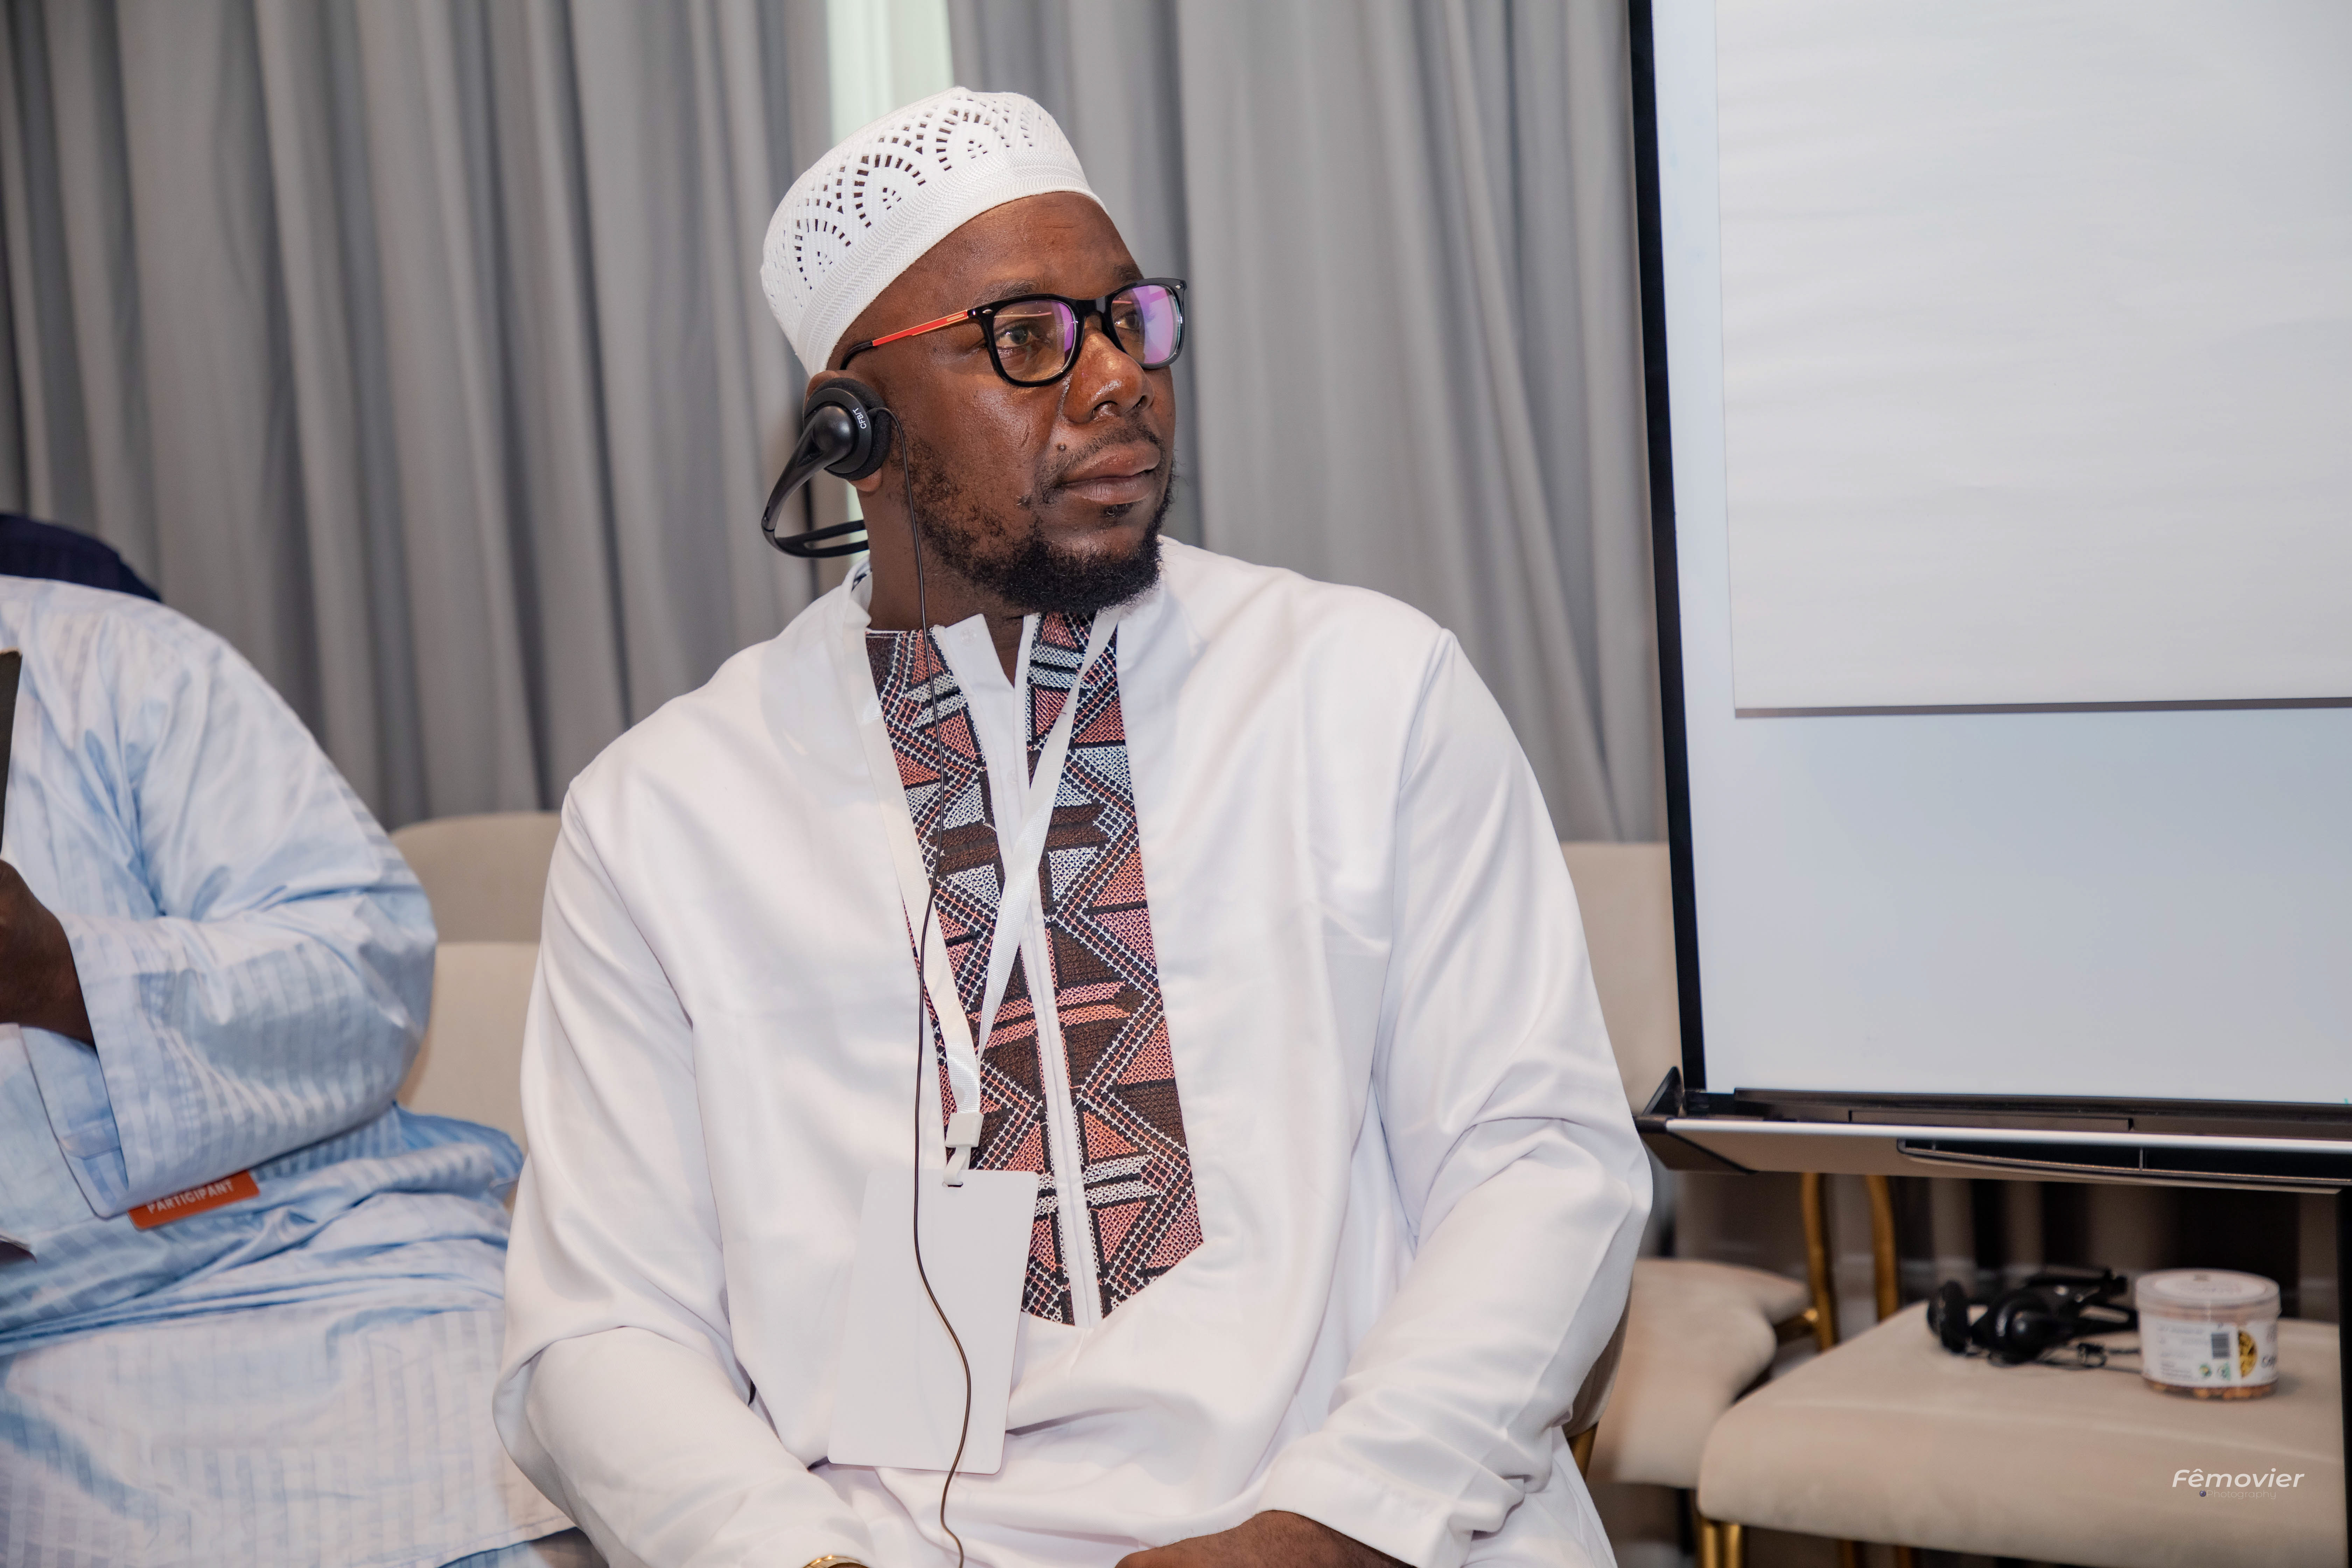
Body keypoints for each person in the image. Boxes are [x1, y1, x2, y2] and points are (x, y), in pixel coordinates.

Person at [497, 88, 1647, 1568]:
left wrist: (1321, 1528)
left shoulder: (1366, 693)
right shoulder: (665, 816)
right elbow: (603, 1325)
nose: (1119, 382)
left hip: (1357, 1522)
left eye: (1131, 321)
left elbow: (1541, 1166)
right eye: (1028, 338)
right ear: (853, 427)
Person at [0, 565, 589, 1567]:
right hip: (35, 1366)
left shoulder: (122, 665)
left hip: (302, 1265)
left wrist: (65, 976)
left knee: (530, 1456)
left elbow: (362, 973)